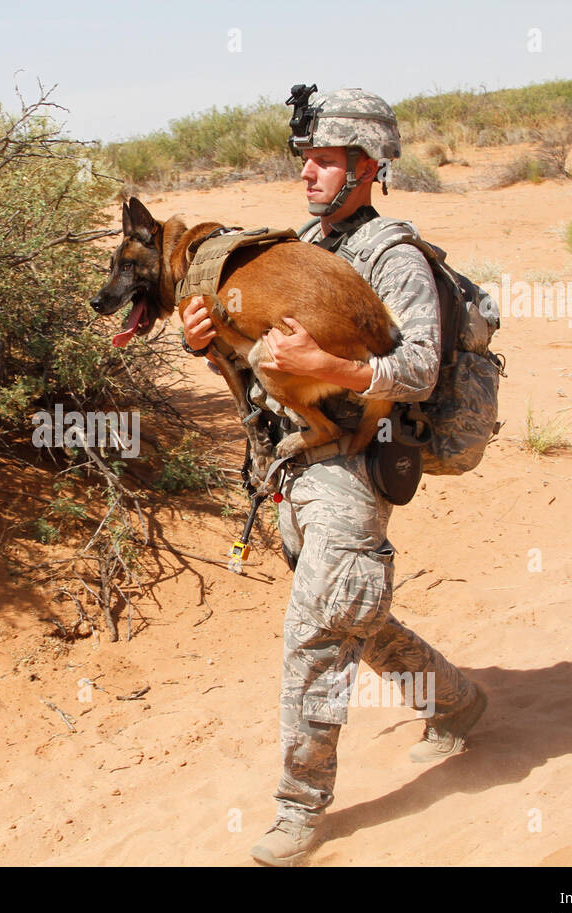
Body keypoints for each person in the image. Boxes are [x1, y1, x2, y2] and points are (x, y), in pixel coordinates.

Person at [180, 88, 488, 867]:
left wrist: (331, 366)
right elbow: (259, 353)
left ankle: (299, 809)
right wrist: (204, 339)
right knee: (356, 615)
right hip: (288, 463)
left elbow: (416, 367)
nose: (309, 173)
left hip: (354, 462)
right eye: (307, 159)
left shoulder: (393, 254)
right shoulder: (304, 243)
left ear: (367, 167)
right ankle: (455, 700)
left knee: (316, 635)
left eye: (326, 160)